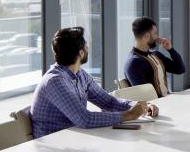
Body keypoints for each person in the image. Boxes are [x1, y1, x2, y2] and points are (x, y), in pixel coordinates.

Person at [30, 26, 158, 139]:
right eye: (86, 46)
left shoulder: (79, 74)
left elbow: (108, 101)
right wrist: (128, 115)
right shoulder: (55, 81)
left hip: (75, 138)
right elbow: (84, 119)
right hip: (55, 145)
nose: (88, 48)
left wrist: (140, 106)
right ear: (80, 53)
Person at [123, 16, 187, 97]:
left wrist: (170, 49)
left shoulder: (156, 55)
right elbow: (145, 96)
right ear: (146, 36)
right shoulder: (133, 63)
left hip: (167, 100)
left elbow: (180, 69)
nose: (157, 37)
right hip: (158, 106)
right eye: (155, 33)